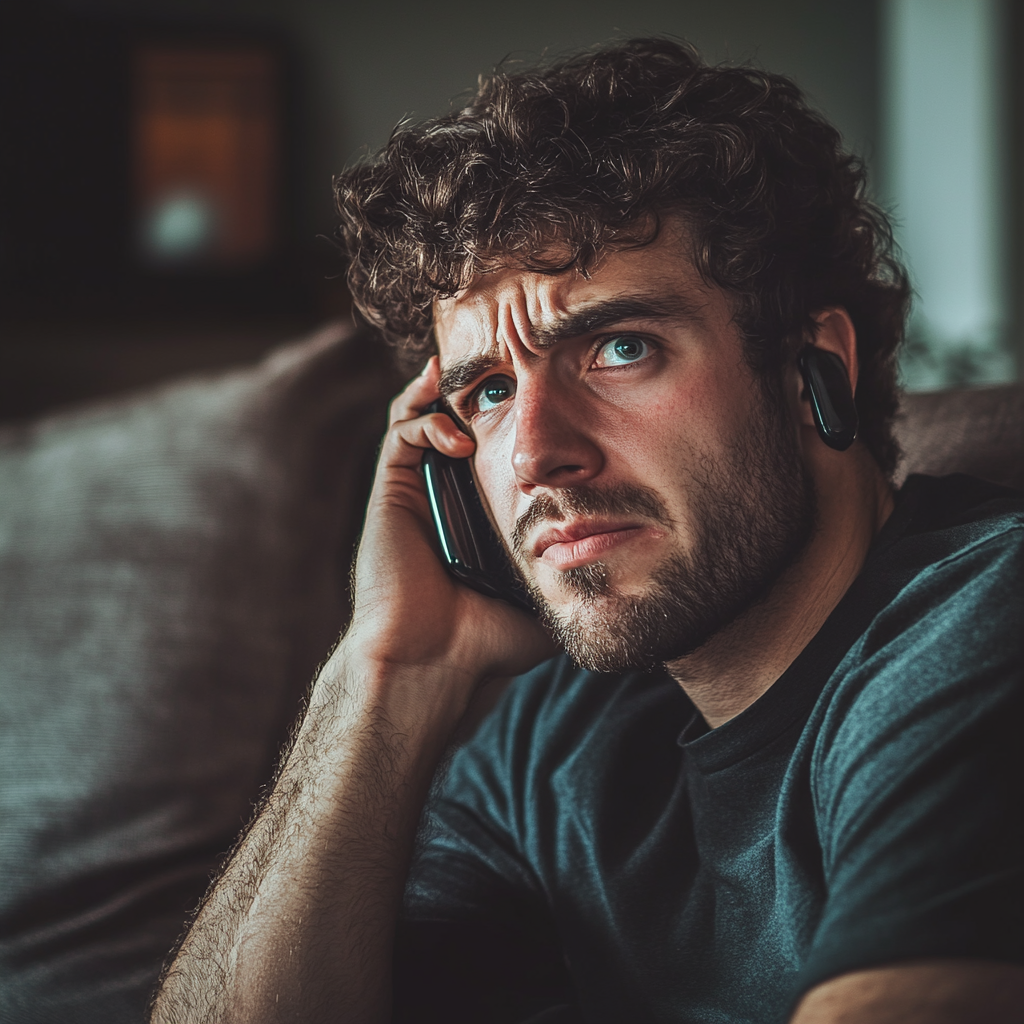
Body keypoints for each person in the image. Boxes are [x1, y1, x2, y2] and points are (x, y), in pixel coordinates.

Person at [150, 39, 1023, 1024]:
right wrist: (387, 670)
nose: (532, 454)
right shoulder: (549, 740)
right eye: (485, 390)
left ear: (811, 362)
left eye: (618, 347)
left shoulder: (983, 619)